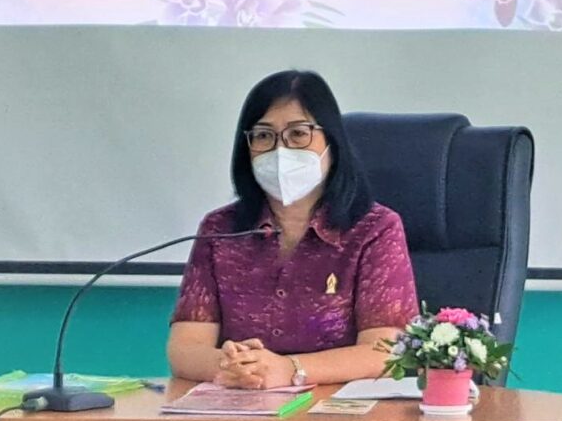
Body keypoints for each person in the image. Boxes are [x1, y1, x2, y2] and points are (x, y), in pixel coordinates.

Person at [167, 70, 418, 389]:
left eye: (298, 133)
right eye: (263, 136)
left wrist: (289, 369)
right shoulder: (220, 230)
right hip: (241, 405)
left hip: (336, 411)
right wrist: (234, 367)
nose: (280, 150)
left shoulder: (374, 229)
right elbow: (185, 349)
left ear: (332, 141)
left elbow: (384, 352)